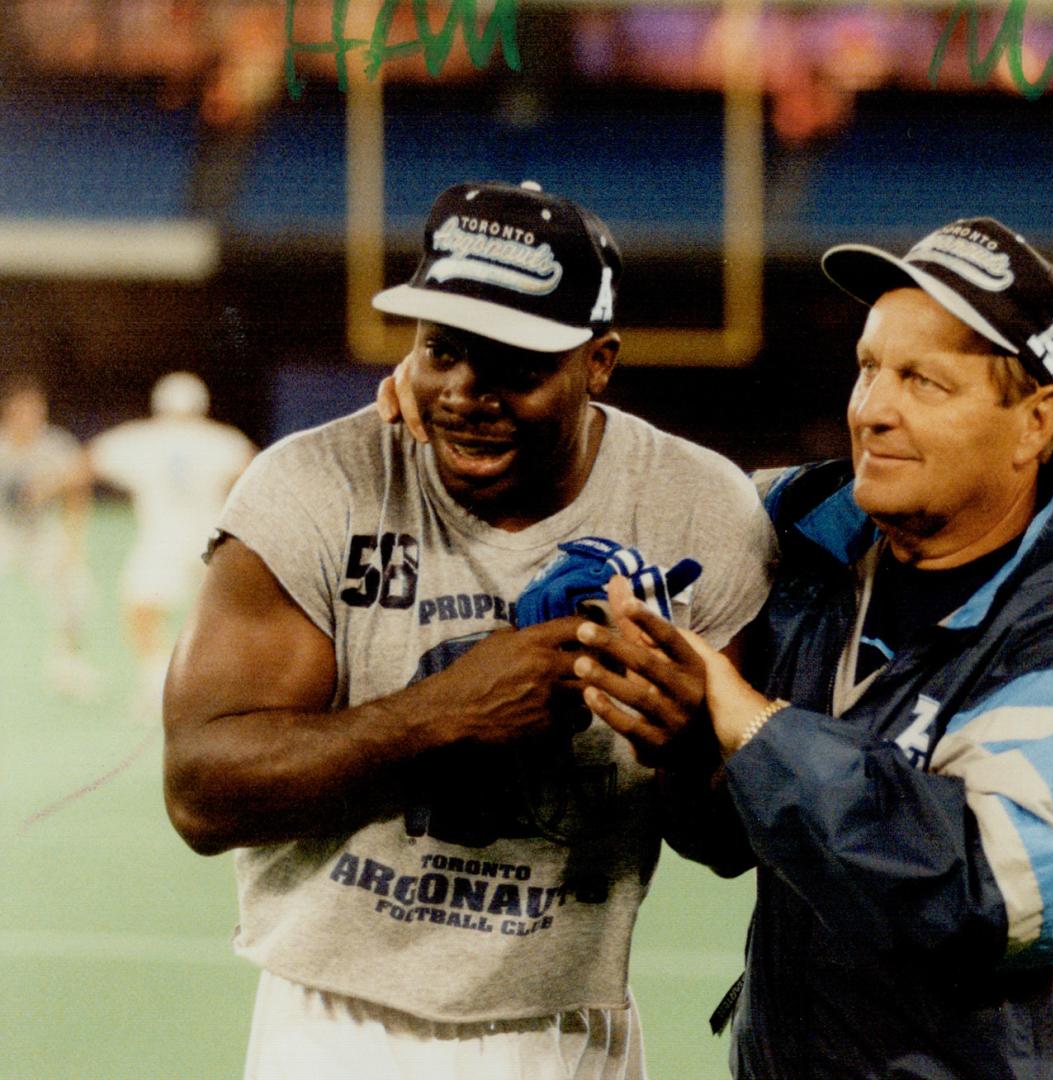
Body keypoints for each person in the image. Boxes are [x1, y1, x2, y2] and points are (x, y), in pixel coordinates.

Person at [574, 218, 1053, 1078]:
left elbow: (979, 897)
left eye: (924, 382)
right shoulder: (801, 544)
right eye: (869, 368)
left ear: (1036, 422)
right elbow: (588, 508)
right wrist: (421, 422)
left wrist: (748, 723)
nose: (873, 409)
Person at [162, 180, 776, 1079]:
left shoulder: (696, 508)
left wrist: (682, 738)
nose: (464, 392)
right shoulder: (313, 484)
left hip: (565, 1027)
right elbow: (202, 794)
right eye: (441, 351)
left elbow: (725, 844)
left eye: (514, 364)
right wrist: (443, 712)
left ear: (597, 361)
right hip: (333, 1027)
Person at [88, 371, 256, 716]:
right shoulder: (220, 439)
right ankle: (227, 689)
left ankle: (157, 685)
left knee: (141, 611)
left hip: (162, 539)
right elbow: (255, 467)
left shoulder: (143, 439)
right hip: (211, 537)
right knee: (222, 617)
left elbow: (90, 459)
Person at [0, 374, 97, 697]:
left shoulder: (55, 444)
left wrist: (73, 542)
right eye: (23, 410)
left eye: (36, 409)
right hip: (3, 531)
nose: (31, 416)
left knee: (76, 588)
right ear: (9, 411)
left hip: (41, 532)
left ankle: (67, 664)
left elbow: (77, 489)